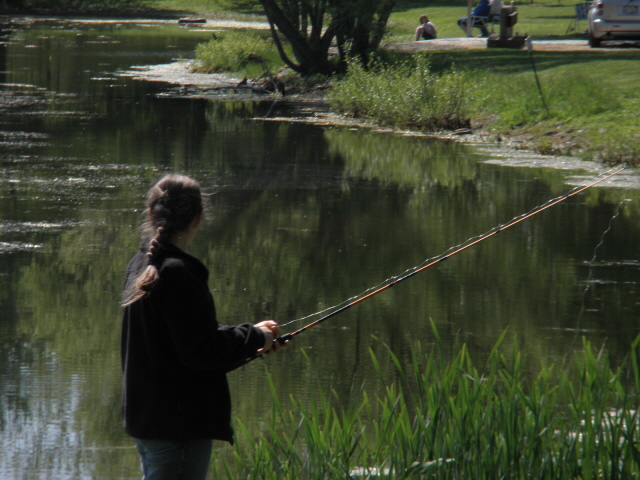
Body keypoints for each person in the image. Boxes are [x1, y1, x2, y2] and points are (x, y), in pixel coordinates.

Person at [120, 174, 286, 480]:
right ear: (198, 219)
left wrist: (254, 337)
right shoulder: (178, 272)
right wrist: (254, 336)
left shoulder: (141, 264)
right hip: (178, 429)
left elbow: (184, 339)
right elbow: (200, 351)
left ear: (150, 213)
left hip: (148, 420)